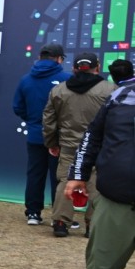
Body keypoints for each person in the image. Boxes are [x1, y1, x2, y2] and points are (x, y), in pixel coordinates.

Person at [62, 59, 135, 269]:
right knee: (101, 261)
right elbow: (93, 136)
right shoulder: (121, 95)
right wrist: (78, 174)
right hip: (117, 198)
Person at [42, 52, 115, 238]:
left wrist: (51, 142)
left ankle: (60, 222)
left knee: (65, 181)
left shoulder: (58, 90)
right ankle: (93, 226)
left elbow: (49, 121)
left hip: (69, 146)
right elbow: (117, 121)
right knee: (98, 185)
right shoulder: (110, 90)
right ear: (97, 67)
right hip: (99, 147)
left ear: (74, 68)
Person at [12, 43, 69, 225]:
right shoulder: (66, 79)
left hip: (35, 135)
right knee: (58, 176)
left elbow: (17, 107)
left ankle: (33, 214)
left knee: (35, 174)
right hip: (59, 138)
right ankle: (58, 217)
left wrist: (34, 122)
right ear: (59, 58)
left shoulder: (26, 79)